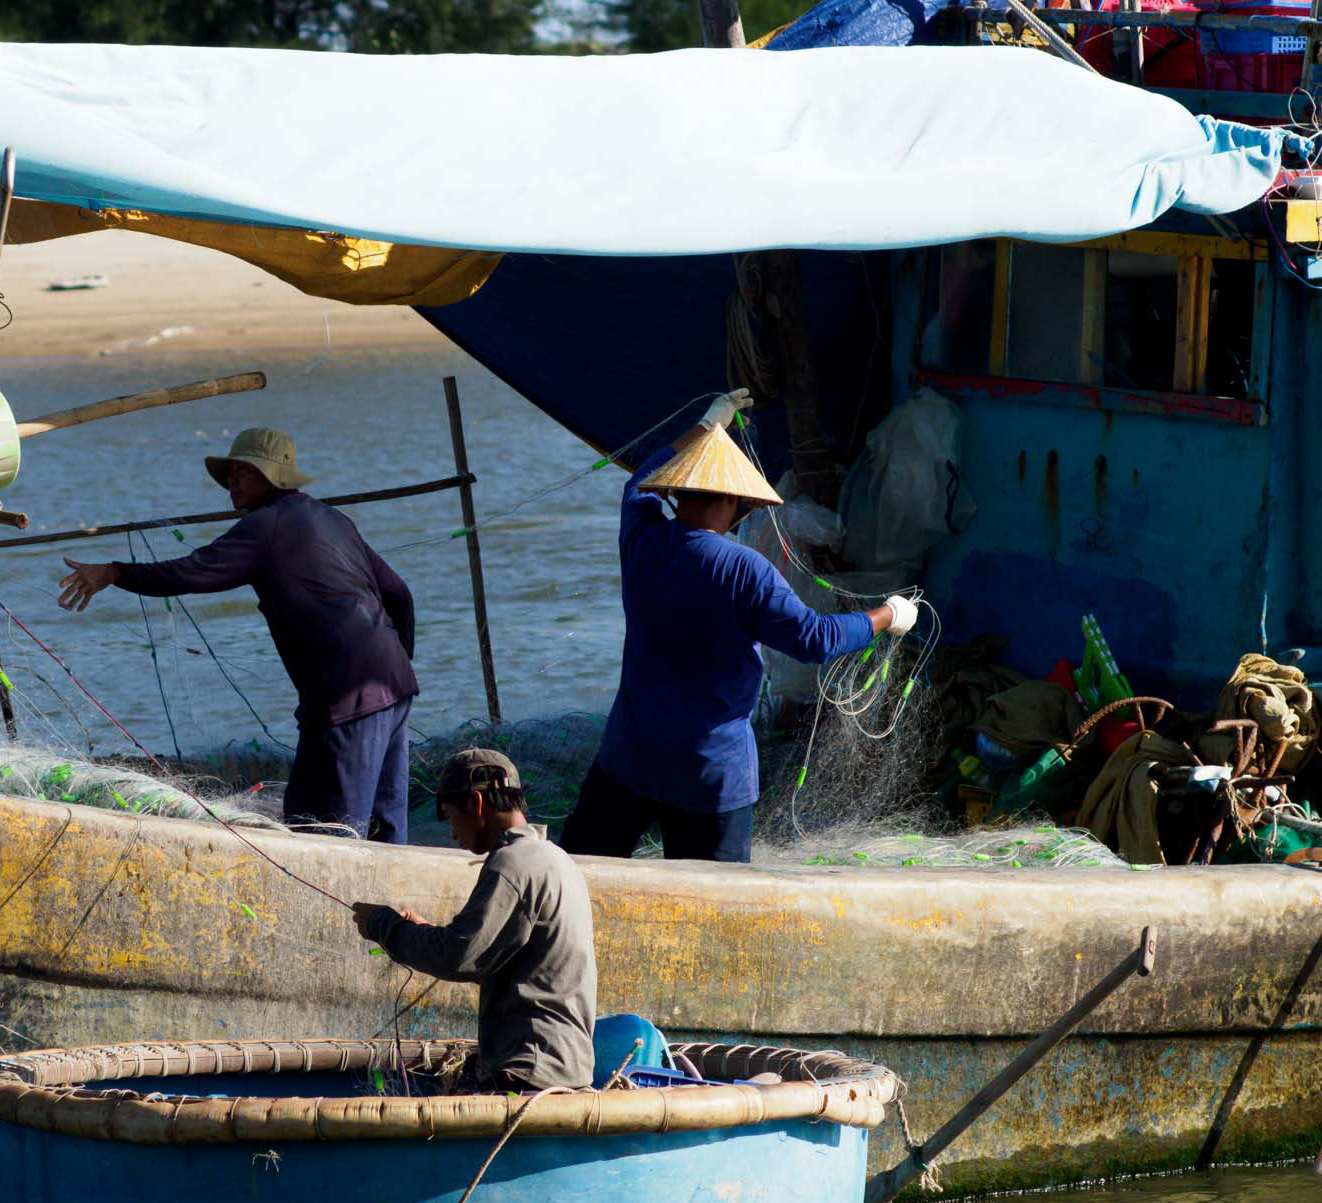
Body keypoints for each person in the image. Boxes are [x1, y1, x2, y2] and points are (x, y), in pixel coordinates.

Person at [560, 391, 917, 864]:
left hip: (628, 759)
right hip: (709, 776)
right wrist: (887, 615)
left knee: (581, 879)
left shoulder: (641, 539)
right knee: (712, 914)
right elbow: (816, 640)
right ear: (733, 498)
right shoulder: (745, 569)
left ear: (679, 488)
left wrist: (707, 425)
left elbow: (639, 483)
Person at [58, 426, 419, 843]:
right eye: (229, 474)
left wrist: (116, 572)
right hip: (392, 687)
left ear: (269, 477)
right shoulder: (332, 518)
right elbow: (399, 594)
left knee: (334, 835)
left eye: (242, 473)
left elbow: (190, 573)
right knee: (374, 826)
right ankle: (400, 910)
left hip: (349, 699)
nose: (231, 483)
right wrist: (397, 663)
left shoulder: (265, 528)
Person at [350, 748, 596, 1092]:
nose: (452, 834)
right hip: (562, 1067)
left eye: (451, 818)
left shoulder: (513, 865)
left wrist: (383, 925)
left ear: (476, 804)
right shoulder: (556, 860)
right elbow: (509, 960)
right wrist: (421, 931)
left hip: (529, 1074)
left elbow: (459, 956)